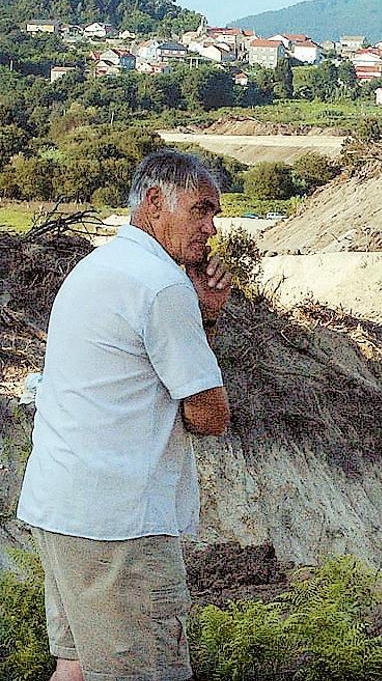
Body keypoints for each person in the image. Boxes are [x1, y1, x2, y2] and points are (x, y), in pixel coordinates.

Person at [17, 149, 233, 681]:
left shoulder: (101, 266)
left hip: (63, 511)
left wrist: (201, 316)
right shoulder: (161, 286)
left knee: (76, 669)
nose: (211, 228)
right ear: (156, 203)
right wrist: (202, 316)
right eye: (201, 210)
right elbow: (209, 414)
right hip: (121, 528)